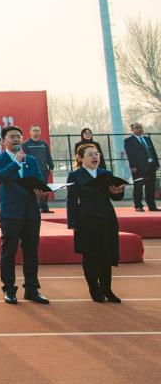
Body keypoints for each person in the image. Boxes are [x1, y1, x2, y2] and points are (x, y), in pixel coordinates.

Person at [0, 126, 50, 305]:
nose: (16, 139)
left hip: (31, 212)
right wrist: (15, 163)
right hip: (11, 212)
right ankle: (9, 289)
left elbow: (39, 181)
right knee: (8, 253)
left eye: (19, 136)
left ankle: (32, 289)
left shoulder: (31, 160)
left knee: (31, 253)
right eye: (12, 136)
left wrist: (42, 192)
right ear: (3, 141)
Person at [66, 144, 125, 303]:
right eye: (90, 154)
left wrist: (118, 192)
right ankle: (94, 289)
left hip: (106, 217)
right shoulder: (75, 176)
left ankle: (107, 289)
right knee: (90, 256)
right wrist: (72, 222)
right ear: (80, 158)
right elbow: (71, 200)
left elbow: (115, 196)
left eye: (97, 154)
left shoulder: (106, 173)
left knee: (106, 255)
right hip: (86, 219)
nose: (95, 157)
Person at [124, 122, 158, 212]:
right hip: (138, 168)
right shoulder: (129, 140)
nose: (140, 129)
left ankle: (152, 206)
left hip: (151, 167)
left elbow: (153, 151)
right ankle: (138, 206)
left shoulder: (147, 139)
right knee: (138, 187)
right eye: (137, 128)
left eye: (141, 127)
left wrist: (156, 164)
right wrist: (133, 166)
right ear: (132, 130)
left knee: (151, 187)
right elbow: (130, 154)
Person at [22, 125, 56, 213]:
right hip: (31, 171)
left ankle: (45, 208)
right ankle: (34, 208)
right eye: (34, 130)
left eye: (37, 130)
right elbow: (23, 158)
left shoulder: (44, 144)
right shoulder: (25, 144)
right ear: (30, 132)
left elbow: (48, 156)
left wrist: (51, 166)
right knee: (33, 190)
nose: (36, 132)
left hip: (43, 171)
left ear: (40, 132)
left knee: (44, 189)